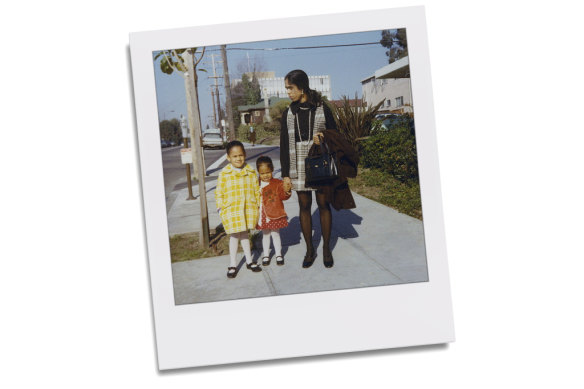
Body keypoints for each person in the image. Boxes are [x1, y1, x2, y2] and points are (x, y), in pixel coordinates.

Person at [279, 69, 339, 269]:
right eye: (287, 88)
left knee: (323, 205)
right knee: (304, 206)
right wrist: (286, 175)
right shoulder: (288, 112)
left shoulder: (322, 108)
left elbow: (335, 134)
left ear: (302, 87)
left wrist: (322, 137)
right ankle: (309, 249)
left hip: (319, 161)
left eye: (291, 88)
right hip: (297, 164)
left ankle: (326, 249)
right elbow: (284, 145)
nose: (288, 92)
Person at [215, 141, 262, 278]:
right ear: (228, 158)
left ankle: (249, 261)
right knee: (235, 236)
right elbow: (219, 192)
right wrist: (220, 208)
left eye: (241, 155)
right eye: (234, 156)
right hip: (232, 210)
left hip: (247, 209)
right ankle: (233, 264)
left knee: (245, 234)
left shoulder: (250, 171)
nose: (238, 158)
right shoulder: (224, 173)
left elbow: (256, 190)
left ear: (245, 155)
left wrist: (258, 206)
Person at [255, 156, 292, 266]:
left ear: (272, 170)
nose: (265, 175)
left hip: (274, 213)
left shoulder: (277, 183)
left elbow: (283, 196)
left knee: (275, 234)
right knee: (265, 235)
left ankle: (278, 254)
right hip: (262, 214)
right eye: (262, 173)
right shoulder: (256, 184)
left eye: (268, 172)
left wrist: (287, 191)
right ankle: (266, 255)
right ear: (258, 172)